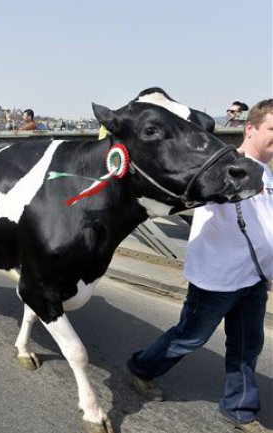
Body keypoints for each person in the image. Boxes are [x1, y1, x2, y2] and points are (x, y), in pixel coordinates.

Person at [126, 98, 273, 433]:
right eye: (272, 129)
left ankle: (240, 409)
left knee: (248, 344)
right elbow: (183, 191)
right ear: (250, 128)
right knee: (188, 339)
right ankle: (140, 368)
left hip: (253, 278)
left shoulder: (266, 172)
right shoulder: (220, 167)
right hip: (216, 279)